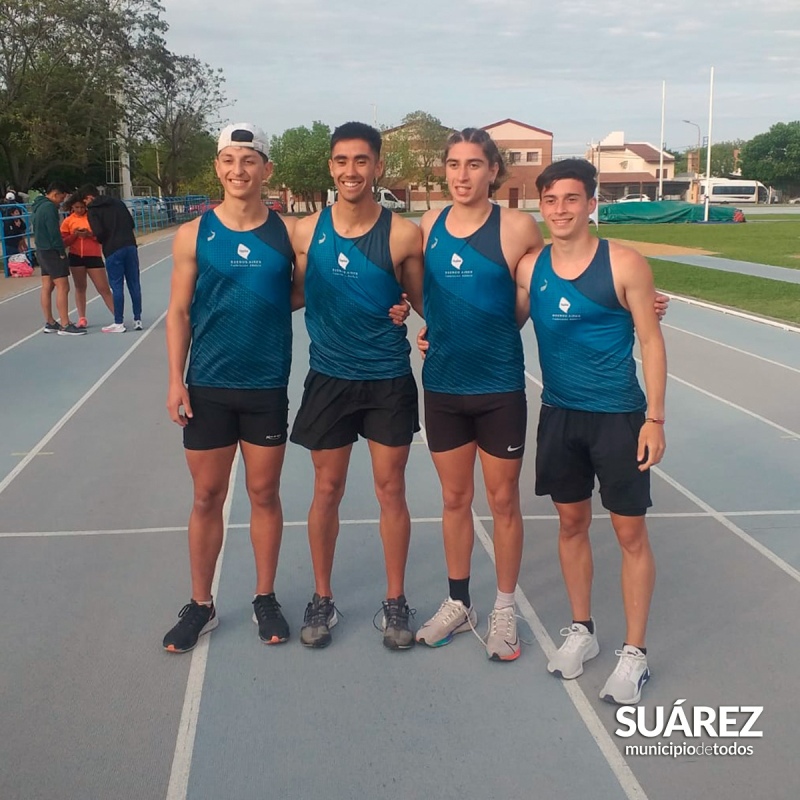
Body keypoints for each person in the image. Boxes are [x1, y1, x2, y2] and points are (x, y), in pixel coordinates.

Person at [515, 158, 667, 704]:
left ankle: (635, 653)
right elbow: (500, 324)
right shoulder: (531, 268)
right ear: (542, 206)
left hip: (619, 418)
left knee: (630, 535)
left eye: (571, 199)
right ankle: (583, 629)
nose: (560, 210)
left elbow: (651, 340)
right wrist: (427, 330)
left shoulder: (624, 262)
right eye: (551, 200)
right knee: (571, 524)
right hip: (559, 414)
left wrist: (655, 418)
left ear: (591, 203)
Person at [162, 123, 298, 653]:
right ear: (217, 168)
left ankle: (264, 595)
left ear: (266, 169)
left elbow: (312, 290)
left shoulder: (287, 234)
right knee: (206, 496)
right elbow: (177, 312)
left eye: (249, 160)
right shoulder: (194, 234)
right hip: (209, 385)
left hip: (266, 385)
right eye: (228, 160)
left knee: (264, 494)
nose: (238, 170)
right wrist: (176, 378)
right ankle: (201, 604)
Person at [289, 121, 424, 650]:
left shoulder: (402, 234)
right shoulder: (304, 231)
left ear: (377, 166)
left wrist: (411, 310)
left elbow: (421, 303)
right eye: (342, 160)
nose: (352, 170)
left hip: (387, 378)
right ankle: (322, 596)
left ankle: (395, 601)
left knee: (391, 489)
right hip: (328, 377)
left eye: (362, 160)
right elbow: (293, 294)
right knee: (327, 489)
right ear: (331, 166)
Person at [413, 128, 544, 662]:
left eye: (473, 165)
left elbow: (548, 285)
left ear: (494, 170)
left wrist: (638, 299)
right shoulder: (428, 223)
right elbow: (426, 293)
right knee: (453, 500)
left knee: (503, 501)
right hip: (443, 385)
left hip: (498, 388)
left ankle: (505, 608)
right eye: (453, 165)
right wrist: (430, 324)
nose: (461, 175)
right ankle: (459, 601)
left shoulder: (516, 227)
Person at [78, 184, 142, 333]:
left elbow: (99, 232)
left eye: (85, 202)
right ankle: (137, 318)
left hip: (113, 249)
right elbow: (131, 223)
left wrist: (97, 237)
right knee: (134, 283)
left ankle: (118, 322)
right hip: (130, 245)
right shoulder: (118, 203)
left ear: (89, 198)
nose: (86, 205)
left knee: (117, 285)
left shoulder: (93, 210)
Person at [31, 182, 86, 336]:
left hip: (41, 249)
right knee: (63, 286)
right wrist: (61, 251)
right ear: (55, 194)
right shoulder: (49, 208)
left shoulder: (37, 206)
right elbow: (54, 232)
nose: (61, 201)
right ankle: (65, 323)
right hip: (52, 250)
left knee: (47, 286)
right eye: (61, 197)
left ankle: (50, 321)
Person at [60, 195, 114, 328]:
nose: (79, 210)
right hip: (76, 257)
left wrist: (89, 234)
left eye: (82, 207)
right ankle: (82, 318)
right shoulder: (68, 221)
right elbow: (64, 242)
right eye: (76, 207)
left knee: (103, 288)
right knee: (80, 287)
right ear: (72, 207)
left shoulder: (92, 217)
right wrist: (75, 235)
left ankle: (117, 315)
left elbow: (102, 236)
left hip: (93, 256)